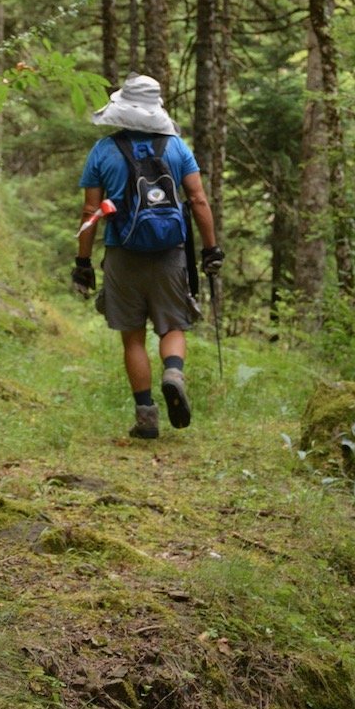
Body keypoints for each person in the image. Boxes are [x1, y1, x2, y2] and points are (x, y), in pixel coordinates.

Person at [71, 72, 223, 439]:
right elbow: (199, 200)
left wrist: (83, 262)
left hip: (123, 252)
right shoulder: (176, 148)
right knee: (173, 326)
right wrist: (211, 249)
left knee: (133, 337)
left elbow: (90, 211)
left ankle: (146, 417)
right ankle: (173, 372)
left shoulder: (103, 151)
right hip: (171, 252)